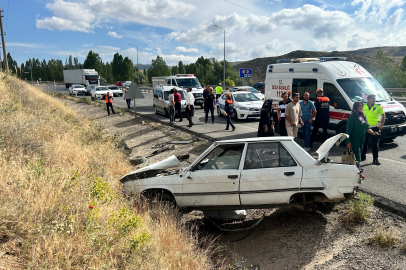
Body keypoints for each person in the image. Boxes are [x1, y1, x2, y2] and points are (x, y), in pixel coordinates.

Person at [346, 102, 379, 171]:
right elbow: (348, 130)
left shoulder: (363, 116)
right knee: (357, 153)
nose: (361, 108)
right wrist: (348, 141)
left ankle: (355, 167)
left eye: (362, 106)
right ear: (355, 107)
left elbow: (367, 126)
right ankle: (357, 168)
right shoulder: (352, 117)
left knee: (359, 152)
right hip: (354, 138)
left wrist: (372, 132)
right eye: (359, 106)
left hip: (362, 138)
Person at [361, 94, 385, 165]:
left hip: (375, 127)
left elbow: (383, 115)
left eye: (375, 99)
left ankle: (375, 159)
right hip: (365, 127)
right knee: (364, 142)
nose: (374, 100)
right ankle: (362, 156)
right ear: (368, 99)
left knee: (375, 144)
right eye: (373, 99)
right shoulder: (363, 106)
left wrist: (381, 124)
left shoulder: (378, 107)